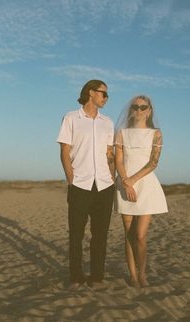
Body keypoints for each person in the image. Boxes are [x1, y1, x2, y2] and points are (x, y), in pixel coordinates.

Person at [57, 80, 115, 290]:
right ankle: (76, 278)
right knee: (76, 235)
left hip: (104, 186)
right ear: (91, 93)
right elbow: (64, 152)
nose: (106, 98)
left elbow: (110, 155)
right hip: (80, 185)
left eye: (107, 95)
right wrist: (71, 180)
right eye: (103, 94)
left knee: (100, 235)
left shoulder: (107, 122)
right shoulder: (71, 118)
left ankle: (97, 278)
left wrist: (112, 177)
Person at [114, 95, 168, 288]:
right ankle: (133, 276)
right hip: (124, 186)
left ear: (149, 110)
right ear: (131, 110)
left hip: (145, 187)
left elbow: (154, 162)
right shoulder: (121, 133)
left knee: (140, 235)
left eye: (143, 107)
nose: (138, 110)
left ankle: (143, 274)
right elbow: (118, 160)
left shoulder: (156, 134)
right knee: (128, 235)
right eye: (135, 107)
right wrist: (126, 183)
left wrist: (133, 181)